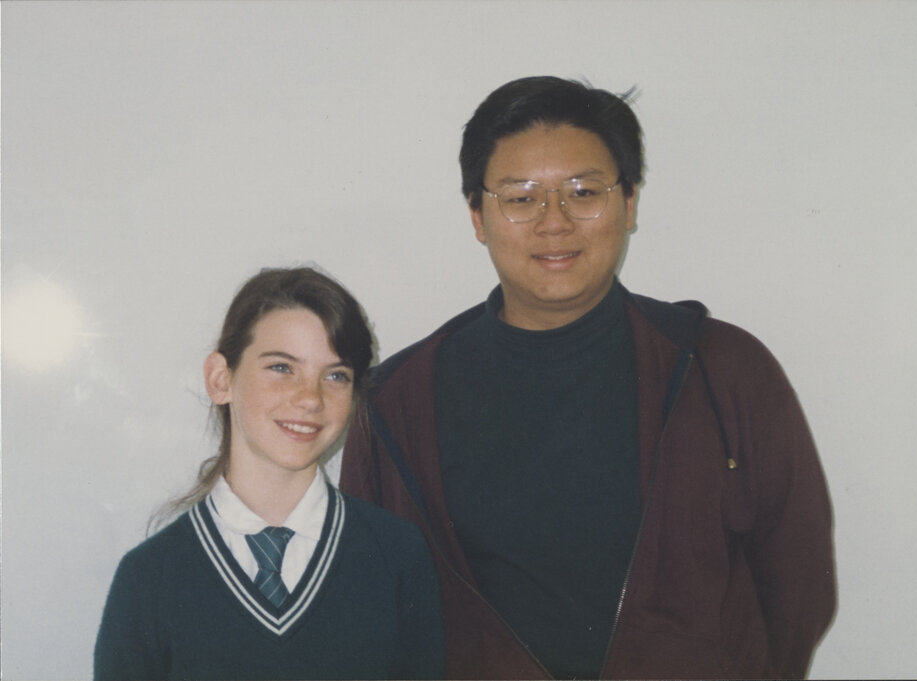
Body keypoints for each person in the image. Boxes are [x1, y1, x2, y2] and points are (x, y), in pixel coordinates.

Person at [340, 76, 836, 680]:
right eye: (521, 197)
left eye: (584, 191)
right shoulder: (398, 401)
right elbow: (371, 612)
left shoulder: (723, 369)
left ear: (628, 203)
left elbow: (797, 586)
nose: (556, 222)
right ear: (477, 215)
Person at [94, 267, 445, 681]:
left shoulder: (398, 555)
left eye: (336, 376)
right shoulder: (150, 578)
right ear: (220, 379)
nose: (310, 398)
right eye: (282, 367)